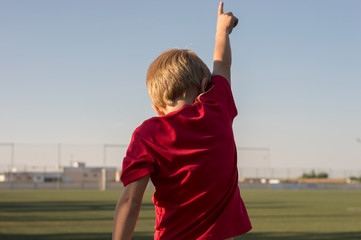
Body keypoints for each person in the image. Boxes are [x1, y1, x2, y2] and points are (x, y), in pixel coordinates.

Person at [112, 2, 252, 240]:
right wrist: (222, 30)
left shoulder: (147, 134)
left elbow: (130, 201)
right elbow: (222, 64)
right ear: (205, 87)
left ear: (156, 108)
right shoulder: (217, 107)